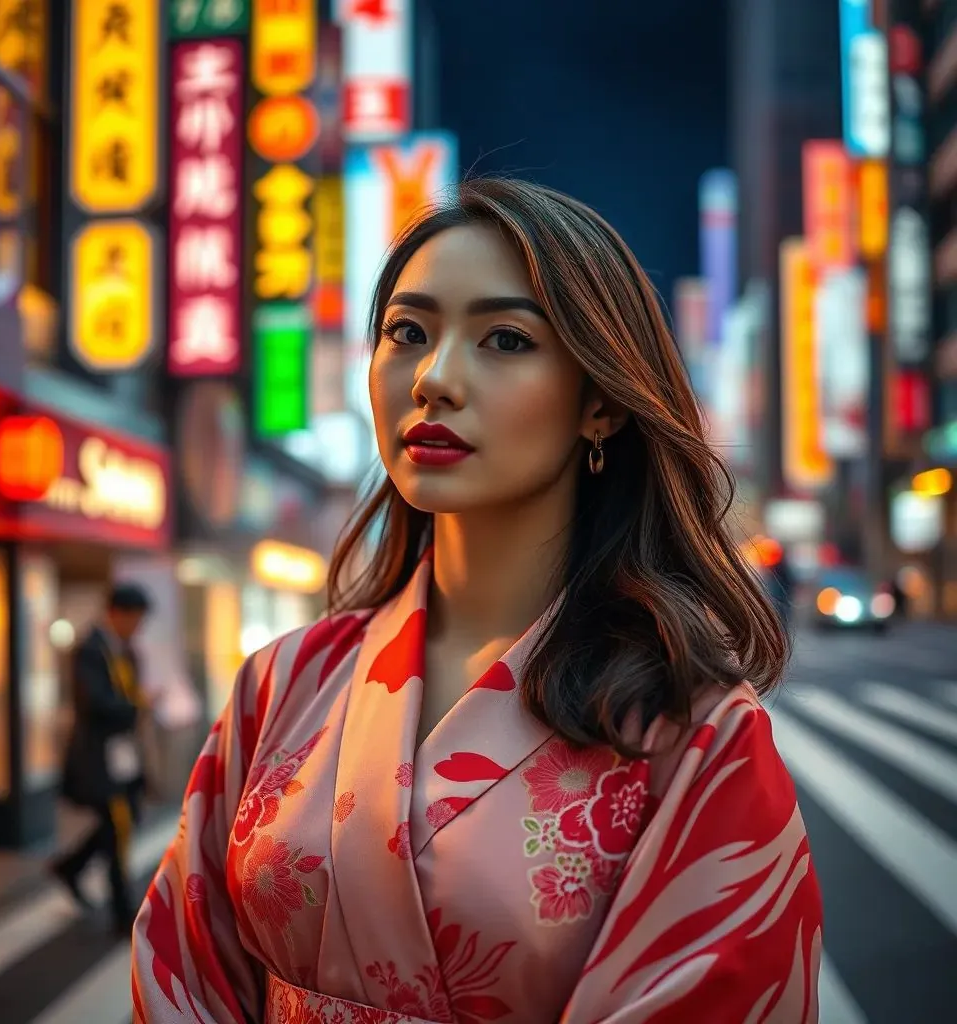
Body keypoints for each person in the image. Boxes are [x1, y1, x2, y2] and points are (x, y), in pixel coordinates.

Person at [132, 180, 822, 1022]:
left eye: (503, 339)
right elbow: (182, 966)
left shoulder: (693, 732)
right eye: (407, 333)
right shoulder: (279, 685)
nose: (434, 378)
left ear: (600, 402)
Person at [54, 582, 152, 935]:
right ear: (117, 614)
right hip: (98, 758)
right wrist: (137, 707)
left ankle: (71, 867)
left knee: (121, 824)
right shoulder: (91, 649)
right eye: (135, 620)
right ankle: (123, 911)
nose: (137, 627)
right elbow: (93, 703)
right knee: (118, 827)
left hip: (121, 757)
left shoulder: (122, 649)